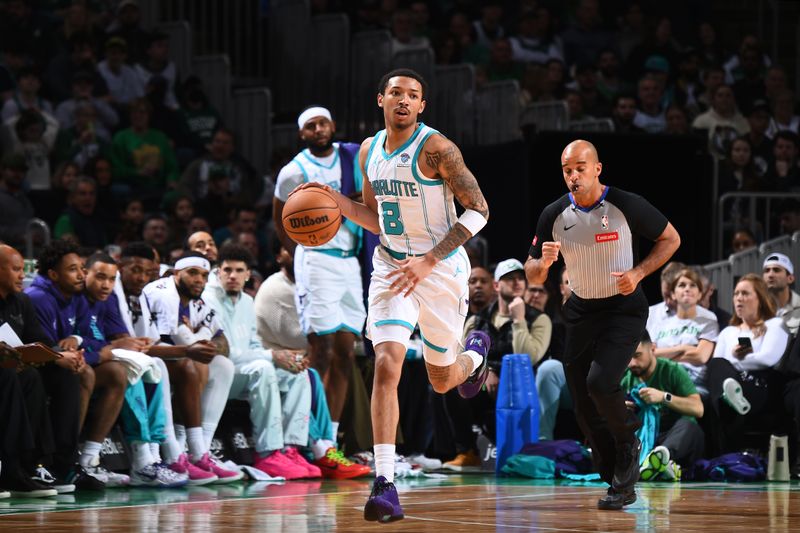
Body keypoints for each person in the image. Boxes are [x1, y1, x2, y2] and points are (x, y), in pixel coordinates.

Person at [294, 69, 491, 523]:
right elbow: (378, 219)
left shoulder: (437, 148)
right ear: (380, 98)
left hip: (440, 270)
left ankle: (476, 356)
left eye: (414, 95)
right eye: (396, 93)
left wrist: (429, 260)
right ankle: (384, 483)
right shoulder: (368, 150)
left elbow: (480, 210)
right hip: (390, 268)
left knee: (443, 381)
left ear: (422, 106)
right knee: (387, 363)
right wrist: (335, 202)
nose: (404, 100)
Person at [524, 139, 680, 510]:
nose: (573, 175)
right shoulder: (553, 215)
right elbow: (531, 274)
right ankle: (618, 480)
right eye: (566, 170)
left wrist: (639, 272)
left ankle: (628, 442)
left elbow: (671, 238)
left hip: (623, 309)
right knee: (582, 401)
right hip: (579, 309)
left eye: (580, 168)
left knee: (600, 382)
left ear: (597, 169)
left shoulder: (627, 205)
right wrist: (542, 265)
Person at [272, 106, 367, 445]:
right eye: (310, 126)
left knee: (345, 350)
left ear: (333, 125)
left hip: (349, 260)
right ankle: (303, 436)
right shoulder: (294, 171)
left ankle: (328, 441)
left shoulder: (354, 157)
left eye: (323, 123)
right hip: (317, 258)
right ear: (302, 134)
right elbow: (278, 218)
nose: (318, 129)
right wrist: (301, 254)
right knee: (322, 350)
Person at [202, 243, 320, 479]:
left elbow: (254, 345)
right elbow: (223, 352)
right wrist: (272, 356)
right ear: (218, 272)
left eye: (238, 271)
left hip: (245, 370)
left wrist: (285, 358)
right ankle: (268, 453)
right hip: (219, 374)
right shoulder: (208, 299)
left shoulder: (247, 302)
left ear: (248, 275)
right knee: (264, 368)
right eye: (227, 270)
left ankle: (290, 448)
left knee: (298, 372)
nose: (232, 276)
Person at [254, 243, 370, 478]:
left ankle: (332, 447)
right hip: (276, 359)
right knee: (320, 369)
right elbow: (302, 339)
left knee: (347, 363)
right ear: (280, 256)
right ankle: (320, 449)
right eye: (290, 247)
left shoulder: (320, 285)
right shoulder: (276, 288)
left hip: (295, 359)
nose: (294, 252)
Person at [25, 239, 131, 488]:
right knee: (83, 374)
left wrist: (78, 339)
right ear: (53, 274)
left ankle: (86, 459)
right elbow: (44, 348)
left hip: (64, 362)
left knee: (116, 372)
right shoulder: (38, 298)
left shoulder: (75, 296)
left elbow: (97, 338)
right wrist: (91, 355)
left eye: (82, 268)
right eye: (73, 269)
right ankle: (63, 461)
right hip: (38, 366)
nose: (82, 274)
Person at [142, 251, 242, 483]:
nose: (200, 280)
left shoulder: (198, 301)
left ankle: (201, 451)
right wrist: (196, 340)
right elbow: (175, 343)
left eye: (205, 275)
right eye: (193, 273)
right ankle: (178, 454)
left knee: (223, 366)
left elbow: (223, 344)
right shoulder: (165, 294)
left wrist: (200, 336)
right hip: (151, 357)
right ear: (177, 273)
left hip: (172, 357)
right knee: (192, 365)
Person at [705, 274, 789, 453]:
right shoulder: (728, 332)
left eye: (745, 293)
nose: (739, 298)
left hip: (761, 385)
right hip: (731, 387)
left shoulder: (775, 324)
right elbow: (717, 366)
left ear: (760, 298)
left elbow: (768, 359)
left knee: (722, 383)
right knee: (716, 366)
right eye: (736, 294)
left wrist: (735, 359)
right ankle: (730, 395)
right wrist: (733, 360)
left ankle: (731, 394)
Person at [622, 331, 705, 480]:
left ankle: (659, 459)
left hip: (674, 437)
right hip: (645, 438)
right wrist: (620, 409)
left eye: (637, 355)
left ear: (653, 348)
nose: (632, 363)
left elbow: (698, 409)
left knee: (689, 426)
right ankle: (661, 467)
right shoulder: (626, 378)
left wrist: (663, 397)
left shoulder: (672, 370)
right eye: (627, 357)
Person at [646, 268, 719, 395]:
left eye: (693, 285)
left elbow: (701, 356)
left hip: (693, 385)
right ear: (673, 294)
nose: (687, 289)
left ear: (700, 294)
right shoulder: (660, 324)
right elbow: (651, 355)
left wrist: (664, 355)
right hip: (662, 382)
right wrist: (685, 348)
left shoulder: (708, 322)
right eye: (682, 285)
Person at [762, 253, 800, 335]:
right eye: (767, 271)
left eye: (776, 270)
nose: (770, 275)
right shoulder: (757, 309)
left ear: (790, 278)